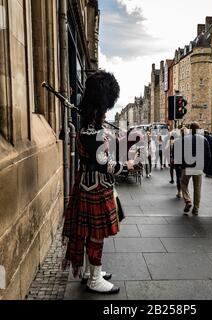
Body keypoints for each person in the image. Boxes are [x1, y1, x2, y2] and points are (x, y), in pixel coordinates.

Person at [62, 70, 134, 294]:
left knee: (89, 232)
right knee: (96, 234)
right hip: (96, 185)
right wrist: (127, 166)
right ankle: (94, 279)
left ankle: (90, 271)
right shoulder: (93, 130)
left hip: (88, 183)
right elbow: (104, 164)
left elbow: (100, 156)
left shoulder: (89, 127)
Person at [180, 122, 211, 215]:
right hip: (198, 167)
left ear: (190, 129)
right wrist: (205, 166)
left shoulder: (185, 139)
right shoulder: (204, 139)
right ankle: (196, 209)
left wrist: (181, 165)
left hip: (187, 166)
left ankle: (188, 200)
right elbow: (208, 155)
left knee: (183, 183)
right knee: (197, 188)